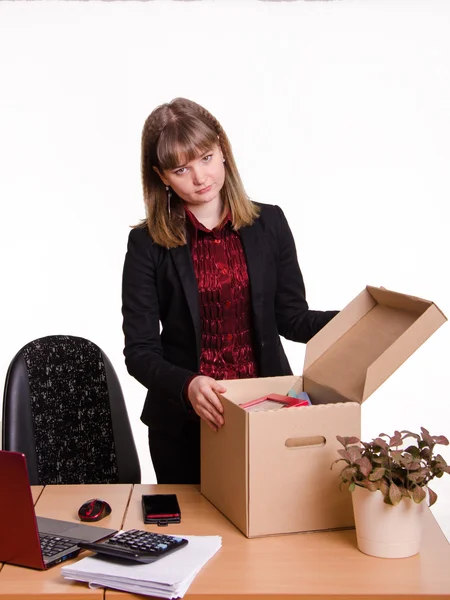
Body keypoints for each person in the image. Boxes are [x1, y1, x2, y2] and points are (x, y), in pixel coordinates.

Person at [121, 97, 338, 484]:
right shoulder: (146, 243)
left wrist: (356, 321)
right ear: (162, 176)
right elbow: (139, 352)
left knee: (276, 537)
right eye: (181, 169)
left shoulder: (270, 223)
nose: (200, 178)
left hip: (269, 415)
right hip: (185, 426)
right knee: (197, 541)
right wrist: (187, 384)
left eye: (205, 158)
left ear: (222, 149)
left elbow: (291, 318)